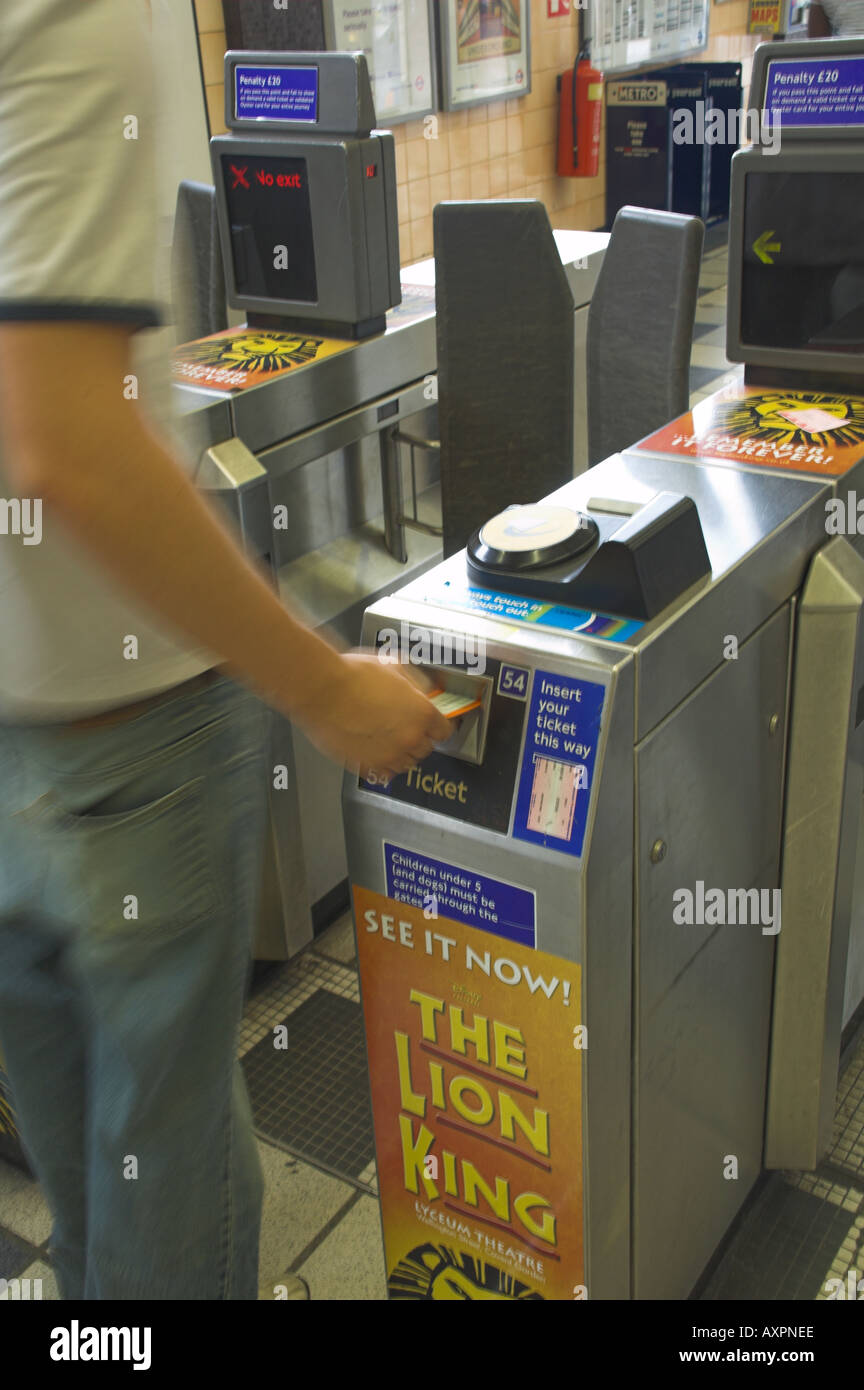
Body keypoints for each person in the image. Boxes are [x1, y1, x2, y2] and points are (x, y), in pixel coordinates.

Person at [0, 0, 449, 1300]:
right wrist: (326, 685)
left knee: (92, 1152)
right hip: (126, 732)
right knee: (168, 1170)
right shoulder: (67, 16)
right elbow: (69, 447)